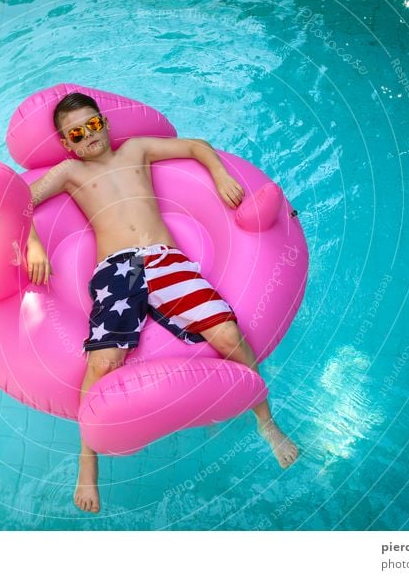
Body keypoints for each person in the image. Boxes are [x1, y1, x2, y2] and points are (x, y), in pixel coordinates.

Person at [25, 92, 299, 513]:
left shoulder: (136, 150)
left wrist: (221, 174)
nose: (89, 137)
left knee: (226, 331)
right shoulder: (69, 172)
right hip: (119, 269)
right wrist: (35, 246)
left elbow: (195, 146)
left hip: (164, 258)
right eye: (77, 133)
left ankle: (266, 421)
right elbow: (22, 203)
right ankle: (87, 463)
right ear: (67, 143)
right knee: (102, 362)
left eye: (93, 125)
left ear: (105, 123)